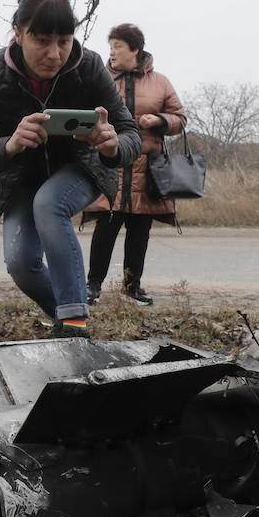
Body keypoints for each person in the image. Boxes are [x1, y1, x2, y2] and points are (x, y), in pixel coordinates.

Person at [0, 0, 142, 339]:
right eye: (42, 40)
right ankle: (63, 316)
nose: (55, 54)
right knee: (21, 263)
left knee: (50, 203)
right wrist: (9, 145)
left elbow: (130, 134)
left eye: (64, 40)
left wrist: (112, 144)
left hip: (82, 168)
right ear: (18, 34)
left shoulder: (88, 66)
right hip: (20, 178)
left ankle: (75, 325)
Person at [82, 23, 188, 306]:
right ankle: (92, 286)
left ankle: (132, 287)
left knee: (140, 232)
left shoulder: (161, 82)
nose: (112, 52)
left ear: (135, 50)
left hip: (146, 171)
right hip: (109, 166)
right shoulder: (100, 79)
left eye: (118, 46)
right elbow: (82, 113)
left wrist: (160, 120)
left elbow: (180, 118)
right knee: (105, 228)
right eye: (111, 46)